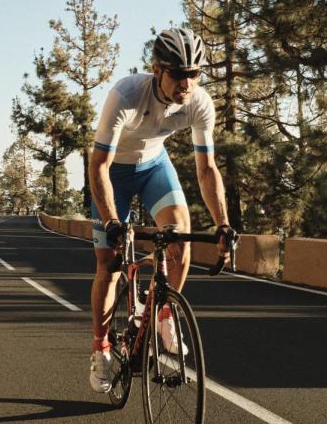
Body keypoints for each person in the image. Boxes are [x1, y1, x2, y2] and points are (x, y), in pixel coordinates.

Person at [87, 28, 236, 393]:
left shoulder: (199, 103)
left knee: (181, 239)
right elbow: (99, 166)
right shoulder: (125, 94)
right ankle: (101, 348)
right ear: (157, 69)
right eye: (178, 74)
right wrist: (110, 221)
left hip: (154, 165)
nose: (187, 83)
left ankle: (163, 312)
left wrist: (223, 225)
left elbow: (206, 170)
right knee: (108, 263)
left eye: (194, 74)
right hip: (113, 173)